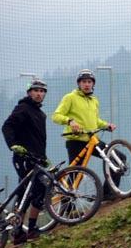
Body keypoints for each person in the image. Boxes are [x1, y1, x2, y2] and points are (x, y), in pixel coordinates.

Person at [51, 69, 120, 199]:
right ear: (79, 83)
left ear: (93, 84)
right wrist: (70, 121)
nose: (87, 84)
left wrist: (106, 125)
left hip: (92, 140)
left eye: (89, 82)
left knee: (118, 157)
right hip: (75, 141)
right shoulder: (70, 97)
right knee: (76, 175)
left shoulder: (94, 100)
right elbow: (56, 116)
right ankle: (66, 208)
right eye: (84, 82)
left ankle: (108, 193)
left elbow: (95, 121)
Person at [1, 79, 49, 244]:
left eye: (42, 91)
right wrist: (13, 145)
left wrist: (43, 158)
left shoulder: (41, 114)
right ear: (29, 92)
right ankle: (19, 231)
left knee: (40, 190)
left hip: (37, 159)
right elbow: (7, 126)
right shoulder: (23, 108)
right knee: (26, 192)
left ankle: (29, 229)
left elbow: (38, 140)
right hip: (23, 158)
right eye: (36, 90)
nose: (39, 94)